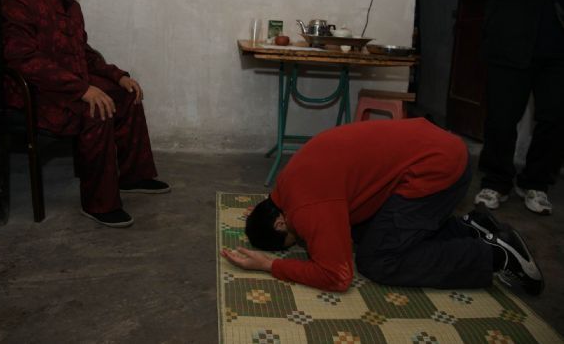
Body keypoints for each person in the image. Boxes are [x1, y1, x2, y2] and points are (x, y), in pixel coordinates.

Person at [221, 118, 544, 296]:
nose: (304, 239)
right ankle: (472, 229)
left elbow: (336, 276)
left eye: (295, 239)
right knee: (363, 234)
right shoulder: (286, 184)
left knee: (377, 261)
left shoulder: (307, 208)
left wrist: (271, 266)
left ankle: (494, 256)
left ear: (280, 223)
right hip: (433, 147)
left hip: (438, 169)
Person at [3, 0, 170, 228]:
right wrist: (83, 89)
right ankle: (99, 203)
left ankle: (133, 176)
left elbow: (84, 53)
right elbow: (23, 60)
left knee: (127, 94)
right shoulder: (20, 1)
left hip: (69, 87)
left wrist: (118, 76)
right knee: (97, 107)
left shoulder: (70, 5)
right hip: (38, 95)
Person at [470, 0, 564, 215]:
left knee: (555, 120)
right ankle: (496, 182)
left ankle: (536, 183)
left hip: (558, 52)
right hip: (510, 45)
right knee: (501, 118)